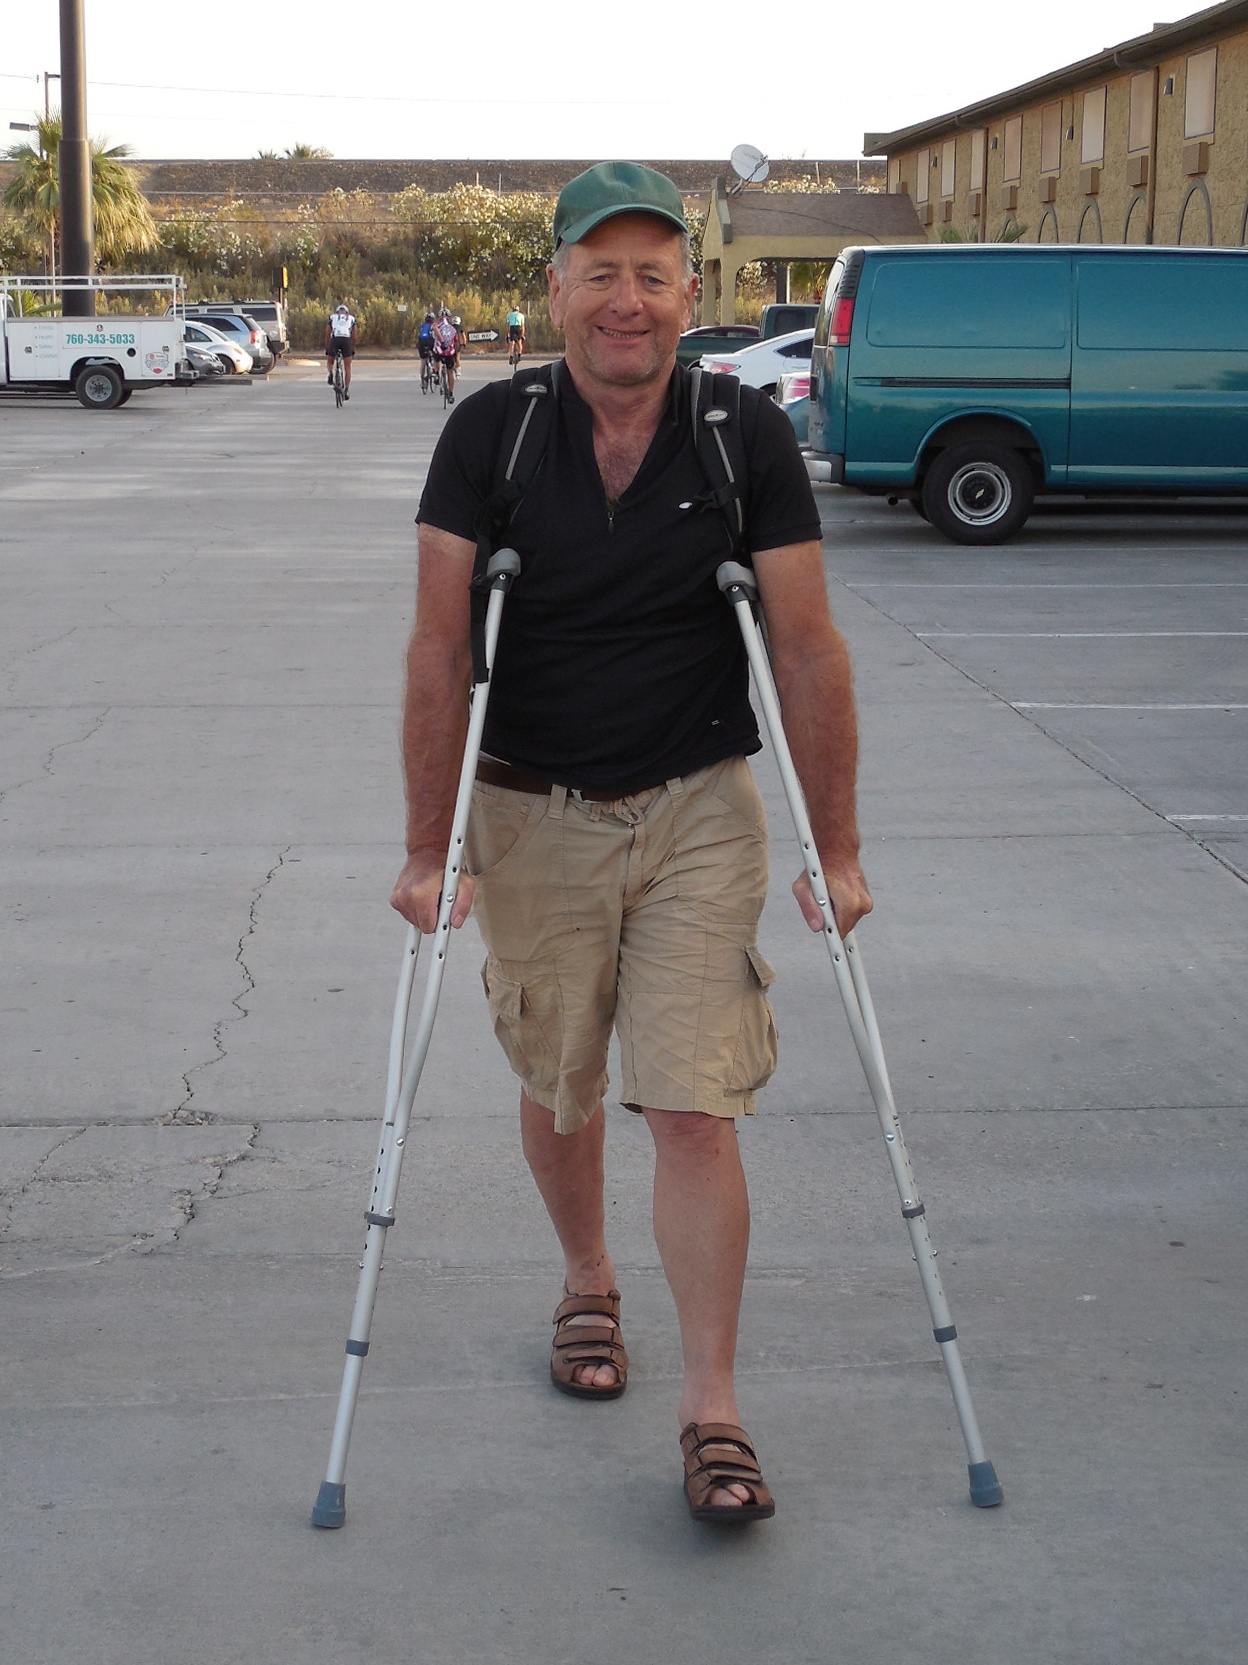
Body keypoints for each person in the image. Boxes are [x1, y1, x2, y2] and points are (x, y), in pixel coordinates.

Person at [391, 162, 872, 1524]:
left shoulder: (740, 436)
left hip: (698, 803)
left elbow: (806, 647)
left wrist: (838, 851)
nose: (627, 300)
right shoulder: (489, 436)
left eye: (653, 275)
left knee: (694, 1103)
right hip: (531, 804)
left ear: (689, 292)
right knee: (563, 1086)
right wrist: (427, 850)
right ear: (555, 290)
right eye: (600, 272)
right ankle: (588, 1280)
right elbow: (439, 649)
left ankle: (713, 1409)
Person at [324, 302, 357, 397]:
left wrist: (327, 347)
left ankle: (330, 373)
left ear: (337, 312)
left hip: (335, 339)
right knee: (347, 366)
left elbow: (327, 333)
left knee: (330, 361)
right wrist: (353, 348)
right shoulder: (351, 318)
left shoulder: (333, 317)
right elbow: (355, 335)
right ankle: (346, 390)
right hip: (346, 340)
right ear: (347, 312)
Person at [431, 306, 459, 401]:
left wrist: (441, 341)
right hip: (450, 353)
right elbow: (456, 342)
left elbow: (434, 330)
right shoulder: (453, 329)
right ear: (449, 317)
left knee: (435, 357)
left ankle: (436, 373)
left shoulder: (437, 325)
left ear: (439, 317)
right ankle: (450, 394)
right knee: (450, 372)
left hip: (439, 351)